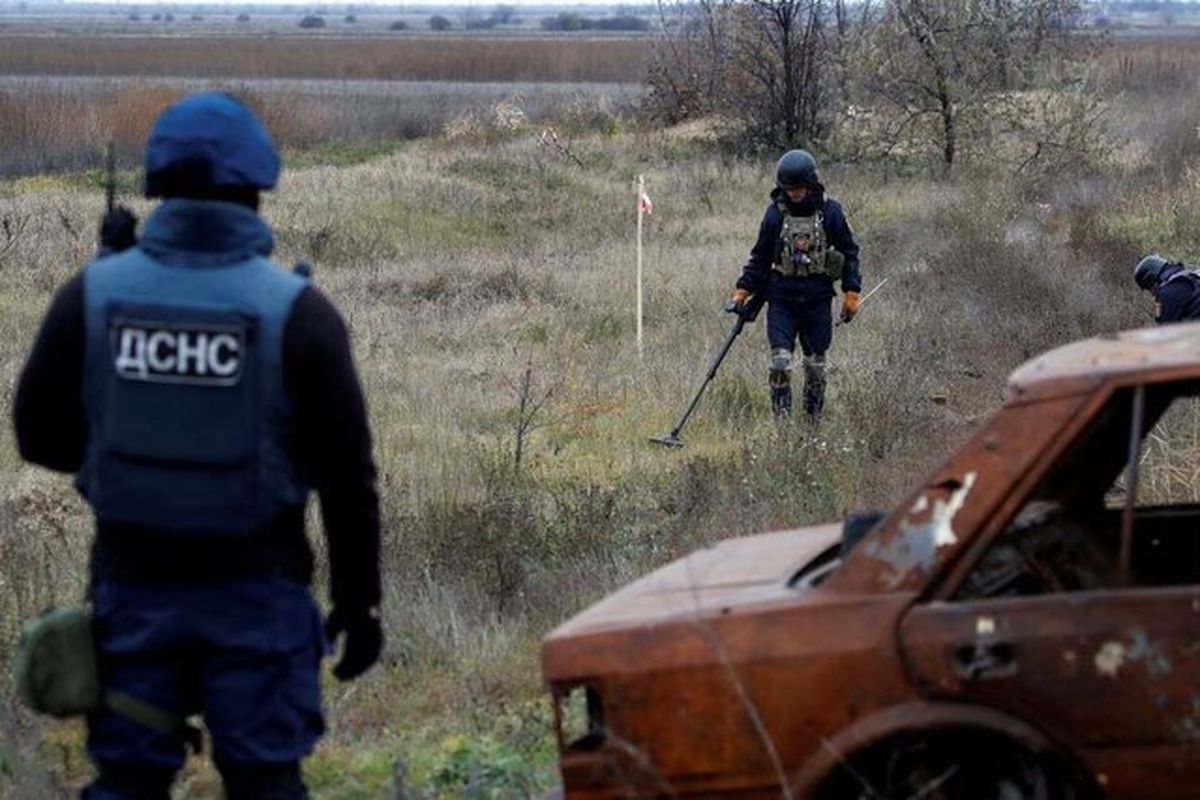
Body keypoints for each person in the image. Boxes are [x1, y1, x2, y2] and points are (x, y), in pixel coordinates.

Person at [12, 92, 382, 800]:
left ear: (157, 190)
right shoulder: (301, 313)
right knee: (267, 784)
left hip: (132, 599)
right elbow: (347, 478)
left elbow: (39, 436)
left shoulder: (90, 295)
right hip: (260, 603)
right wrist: (359, 605)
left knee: (125, 783)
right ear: (257, 190)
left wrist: (126, 445)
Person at [729, 149, 862, 419]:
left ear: (810, 183)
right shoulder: (774, 215)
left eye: (799, 188)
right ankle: (783, 427)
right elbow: (761, 256)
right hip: (782, 298)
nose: (795, 193)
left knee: (815, 366)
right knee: (780, 363)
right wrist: (743, 289)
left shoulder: (830, 212)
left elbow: (849, 252)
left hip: (817, 298)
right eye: (789, 189)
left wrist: (852, 291)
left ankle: (812, 424)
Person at [1134, 253, 1200, 324]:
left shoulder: (1170, 291)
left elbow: (1166, 329)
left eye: (1149, 289)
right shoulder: (1187, 275)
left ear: (1151, 280)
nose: (1152, 294)